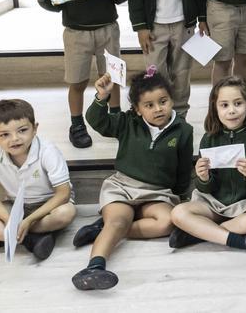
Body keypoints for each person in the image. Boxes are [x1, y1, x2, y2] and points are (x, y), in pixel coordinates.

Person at [71, 68, 193, 290]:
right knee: (119, 220)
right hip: (123, 187)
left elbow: (184, 168)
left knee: (167, 222)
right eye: (149, 105)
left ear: (171, 100)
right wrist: (102, 97)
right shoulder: (127, 122)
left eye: (163, 101)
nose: (158, 109)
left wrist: (182, 198)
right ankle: (94, 267)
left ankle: (103, 230)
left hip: (157, 193)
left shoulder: (183, 130)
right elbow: (97, 121)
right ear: (137, 109)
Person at [35, 0, 127, 148]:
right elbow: (55, 7)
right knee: (77, 82)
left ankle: (116, 118)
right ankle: (77, 124)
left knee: (113, 77)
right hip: (76, 33)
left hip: (108, 29)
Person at [0, 99, 75, 260]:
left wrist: (29, 220)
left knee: (65, 214)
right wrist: (9, 221)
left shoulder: (48, 151)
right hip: (15, 206)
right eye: (4, 134)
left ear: (35, 129)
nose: (14, 138)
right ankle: (30, 239)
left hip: (48, 206)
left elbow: (63, 194)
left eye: (22, 130)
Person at [168, 77, 246, 251]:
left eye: (238, 103)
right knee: (177, 213)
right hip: (213, 204)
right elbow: (205, 189)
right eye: (224, 105)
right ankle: (239, 239)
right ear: (215, 109)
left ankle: (199, 234)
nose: (231, 111)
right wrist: (203, 178)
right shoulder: (209, 139)